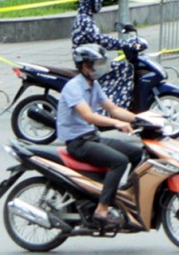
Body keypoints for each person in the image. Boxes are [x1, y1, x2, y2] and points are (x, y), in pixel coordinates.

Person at [58, 45, 142, 227]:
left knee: (137, 153)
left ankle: (127, 196)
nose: (102, 66)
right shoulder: (73, 87)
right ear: (85, 66)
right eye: (97, 63)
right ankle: (102, 210)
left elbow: (113, 109)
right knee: (119, 161)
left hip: (92, 137)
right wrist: (116, 123)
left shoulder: (94, 85)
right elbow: (88, 116)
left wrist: (141, 119)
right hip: (78, 142)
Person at [72, 0, 133, 110]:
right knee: (124, 68)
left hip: (91, 60)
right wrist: (123, 44)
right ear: (91, 2)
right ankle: (111, 105)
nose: (100, 3)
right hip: (88, 62)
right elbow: (100, 39)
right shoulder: (84, 20)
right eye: (98, 0)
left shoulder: (85, 17)